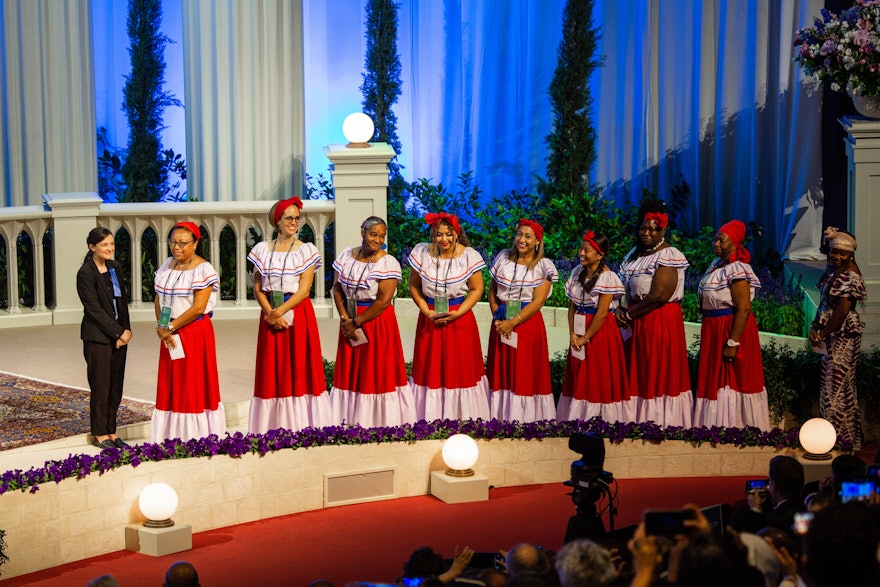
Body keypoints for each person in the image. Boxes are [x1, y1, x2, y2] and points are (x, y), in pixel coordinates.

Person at [247, 196, 330, 433]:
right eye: (289, 218)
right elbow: (257, 286)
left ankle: (301, 424)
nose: (294, 222)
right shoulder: (262, 249)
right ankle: (271, 425)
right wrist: (269, 312)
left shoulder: (306, 250)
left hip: (296, 311)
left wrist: (279, 311)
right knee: (272, 367)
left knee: (298, 366)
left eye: (297, 218)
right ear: (277, 220)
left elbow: (304, 290)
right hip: (269, 312)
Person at [330, 216, 415, 427]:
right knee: (352, 370)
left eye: (381, 236)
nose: (377, 240)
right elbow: (337, 289)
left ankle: (376, 421)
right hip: (349, 319)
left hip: (375, 321)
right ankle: (348, 418)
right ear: (363, 232)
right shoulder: (346, 255)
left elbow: (384, 301)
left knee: (375, 370)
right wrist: (344, 319)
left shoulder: (388, 262)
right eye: (373, 234)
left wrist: (356, 322)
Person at [616, 200, 692, 428]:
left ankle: (658, 422)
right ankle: (633, 419)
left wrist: (629, 315)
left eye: (652, 229)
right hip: (635, 318)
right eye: (643, 228)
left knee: (654, 368)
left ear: (663, 230)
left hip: (658, 318)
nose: (646, 233)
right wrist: (621, 309)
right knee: (636, 368)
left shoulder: (669, 254)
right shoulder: (635, 254)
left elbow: (659, 294)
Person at [408, 212, 489, 422]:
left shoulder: (469, 255)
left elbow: (476, 289)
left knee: (460, 369)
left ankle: (463, 418)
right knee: (430, 368)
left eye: (449, 234)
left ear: (457, 233)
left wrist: (458, 314)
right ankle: (429, 419)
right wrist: (427, 311)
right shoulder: (422, 253)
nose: (444, 239)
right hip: (430, 317)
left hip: (459, 319)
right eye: (439, 234)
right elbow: (414, 286)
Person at [151, 222, 226, 443]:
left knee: (192, 382)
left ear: (195, 244)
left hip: (192, 331)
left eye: (183, 243)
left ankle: (194, 436)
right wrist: (161, 325)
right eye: (173, 242)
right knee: (171, 381)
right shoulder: (167, 265)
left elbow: (198, 308)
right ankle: (170, 435)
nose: (177, 247)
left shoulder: (203, 269)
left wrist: (171, 328)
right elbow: (159, 297)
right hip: (168, 330)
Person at [694, 220, 770, 430]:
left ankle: (735, 426)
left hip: (730, 327)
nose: (716, 243)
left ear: (735, 243)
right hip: (713, 327)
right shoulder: (717, 265)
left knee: (734, 376)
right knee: (715, 377)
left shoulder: (737, 269)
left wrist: (732, 341)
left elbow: (744, 308)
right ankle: (714, 425)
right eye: (715, 239)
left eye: (721, 240)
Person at [557, 230, 635, 424]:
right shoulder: (577, 272)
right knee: (579, 372)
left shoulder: (607, 277)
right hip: (580, 328)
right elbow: (572, 306)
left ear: (600, 255)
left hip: (600, 332)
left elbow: (601, 313)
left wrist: (585, 338)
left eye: (587, 250)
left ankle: (599, 420)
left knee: (596, 374)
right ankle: (576, 419)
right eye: (581, 249)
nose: (582, 253)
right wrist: (573, 333)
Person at [487, 219, 558, 422]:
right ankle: (499, 419)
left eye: (528, 236)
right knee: (502, 369)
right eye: (519, 234)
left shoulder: (544, 266)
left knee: (524, 371)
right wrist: (497, 315)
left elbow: (538, 301)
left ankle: (525, 420)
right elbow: (493, 289)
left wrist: (513, 322)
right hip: (501, 321)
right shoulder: (503, 257)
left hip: (526, 324)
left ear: (537, 241)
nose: (522, 239)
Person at [76, 227, 133, 450]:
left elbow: (122, 302)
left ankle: (112, 430)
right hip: (98, 338)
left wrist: (126, 331)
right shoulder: (85, 273)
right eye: (104, 245)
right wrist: (117, 332)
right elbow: (94, 309)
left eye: (112, 244)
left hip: (120, 336)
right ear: (92, 248)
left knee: (115, 387)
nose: (109, 249)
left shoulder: (114, 268)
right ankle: (100, 433)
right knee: (101, 387)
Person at [810, 227, 866, 449]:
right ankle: (843, 439)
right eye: (834, 252)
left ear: (850, 254)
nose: (837, 256)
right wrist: (815, 326)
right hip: (830, 334)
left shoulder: (850, 275)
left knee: (838, 388)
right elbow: (824, 302)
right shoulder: (834, 270)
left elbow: (842, 312)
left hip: (843, 335)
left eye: (842, 253)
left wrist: (823, 333)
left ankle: (842, 442)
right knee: (832, 388)